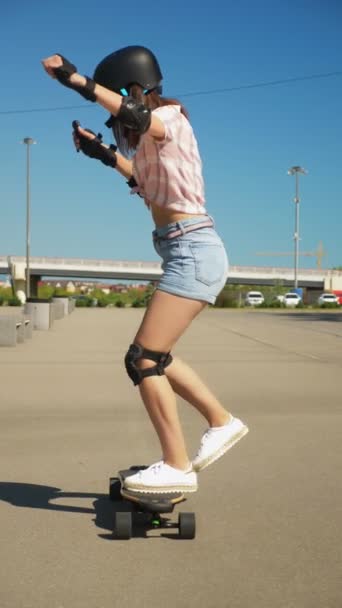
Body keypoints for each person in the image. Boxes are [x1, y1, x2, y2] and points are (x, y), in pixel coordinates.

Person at [41, 46, 248, 494]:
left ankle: (176, 463)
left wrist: (77, 82)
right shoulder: (156, 145)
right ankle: (221, 421)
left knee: (143, 360)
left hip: (193, 249)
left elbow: (136, 116)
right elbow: (148, 186)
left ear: (126, 91)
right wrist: (102, 153)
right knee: (157, 357)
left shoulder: (170, 119)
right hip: (183, 250)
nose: (119, 128)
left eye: (117, 116)